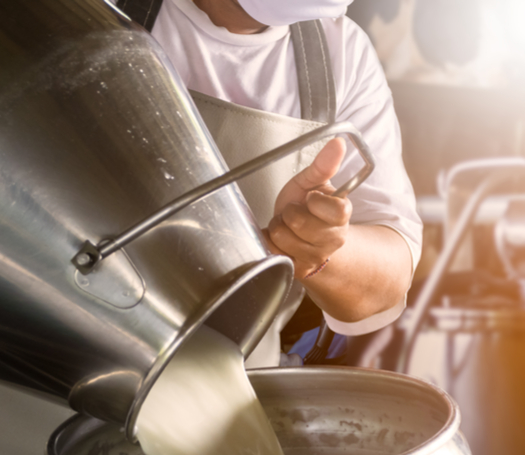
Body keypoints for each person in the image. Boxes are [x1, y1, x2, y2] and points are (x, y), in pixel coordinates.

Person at [116, 0, 421, 366]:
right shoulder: (82, 10)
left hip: (233, 385)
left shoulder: (341, 54)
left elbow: (388, 280)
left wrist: (319, 246)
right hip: (56, 381)